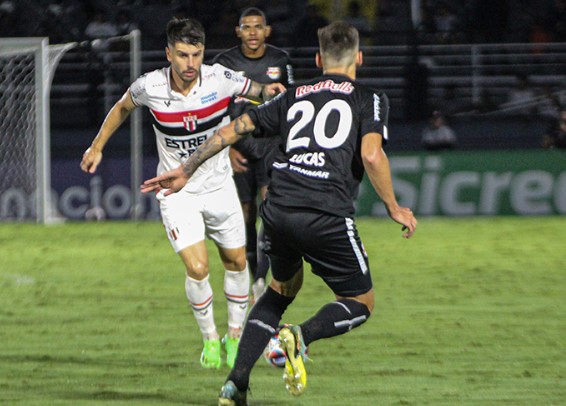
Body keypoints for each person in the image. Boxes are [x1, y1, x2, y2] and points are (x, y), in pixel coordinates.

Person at [141, 21, 417, 405]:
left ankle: (235, 385)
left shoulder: (297, 93)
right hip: (325, 212)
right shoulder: (368, 97)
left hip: (279, 208)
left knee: (279, 290)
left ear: (319, 59)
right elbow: (371, 154)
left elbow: (234, 128)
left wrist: (186, 168)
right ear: (359, 58)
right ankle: (300, 336)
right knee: (361, 301)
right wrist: (394, 207)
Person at [80, 17, 285, 370]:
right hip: (177, 191)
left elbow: (255, 90)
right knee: (198, 266)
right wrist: (97, 145)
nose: (190, 64)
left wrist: (270, 91)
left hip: (219, 186)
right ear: (168, 54)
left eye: (196, 54)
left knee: (236, 263)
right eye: (183, 55)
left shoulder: (220, 79)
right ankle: (209, 338)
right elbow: (122, 107)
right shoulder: (151, 86)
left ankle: (234, 335)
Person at [212, 7, 294, 304]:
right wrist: (229, 147)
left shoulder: (280, 61)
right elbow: (215, 110)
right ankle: (248, 274)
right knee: (245, 213)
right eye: (247, 27)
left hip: (272, 145)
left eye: (258, 27)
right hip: (241, 148)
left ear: (267, 31)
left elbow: (290, 104)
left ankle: (261, 279)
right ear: (238, 32)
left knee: (269, 211)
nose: (252, 33)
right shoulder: (225, 64)